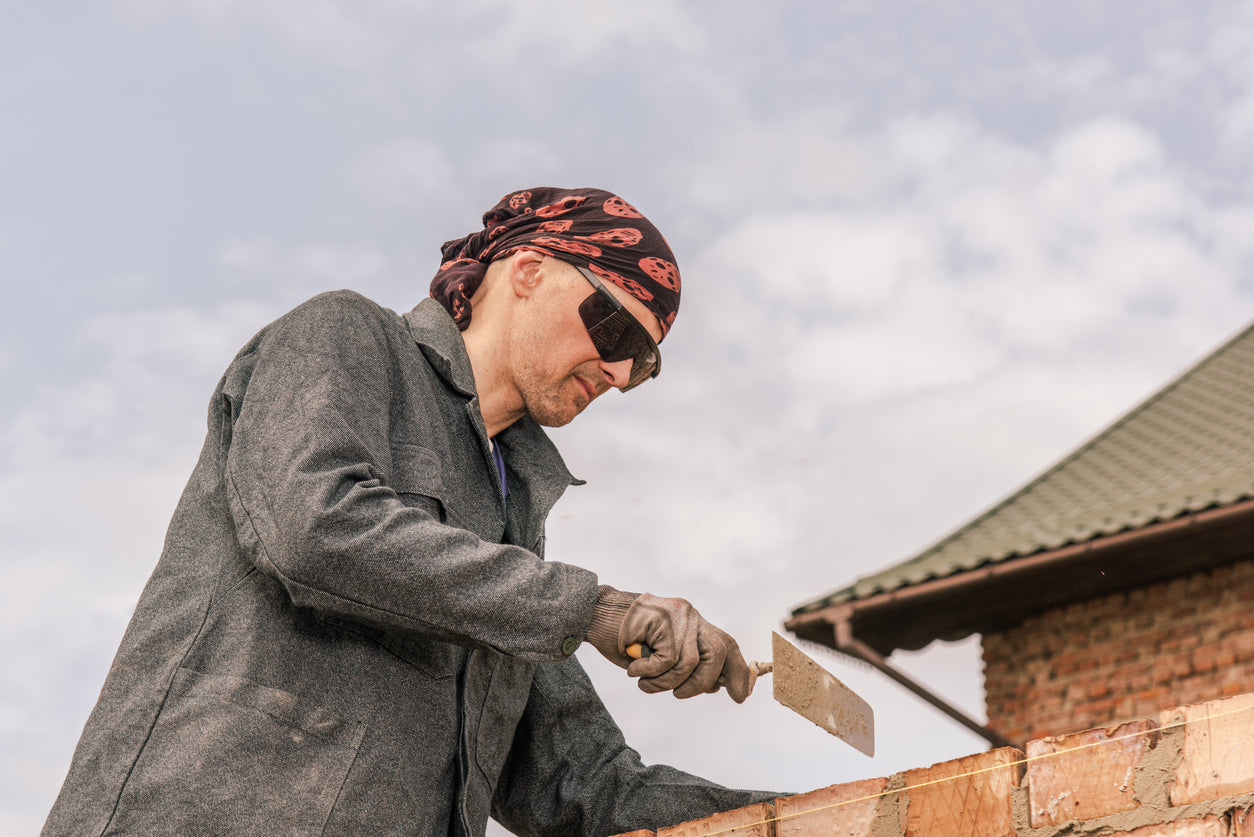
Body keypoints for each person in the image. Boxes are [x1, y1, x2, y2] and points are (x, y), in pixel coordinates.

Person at [42, 187, 776, 837]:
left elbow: (580, 786)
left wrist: (848, 812)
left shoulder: (514, 524)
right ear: (528, 271)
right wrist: (594, 609)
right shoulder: (344, 336)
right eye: (616, 332)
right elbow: (318, 525)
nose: (618, 373)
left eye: (642, 363)